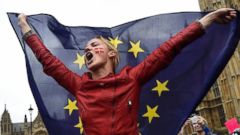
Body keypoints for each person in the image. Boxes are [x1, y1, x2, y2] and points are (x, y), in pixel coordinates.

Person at [18, 8, 236, 135]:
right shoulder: (79, 85)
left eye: (95, 45)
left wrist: (206, 21)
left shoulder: (131, 79)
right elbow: (48, 61)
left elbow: (168, 49)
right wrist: (27, 31)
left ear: (112, 54)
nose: (88, 49)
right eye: (86, 49)